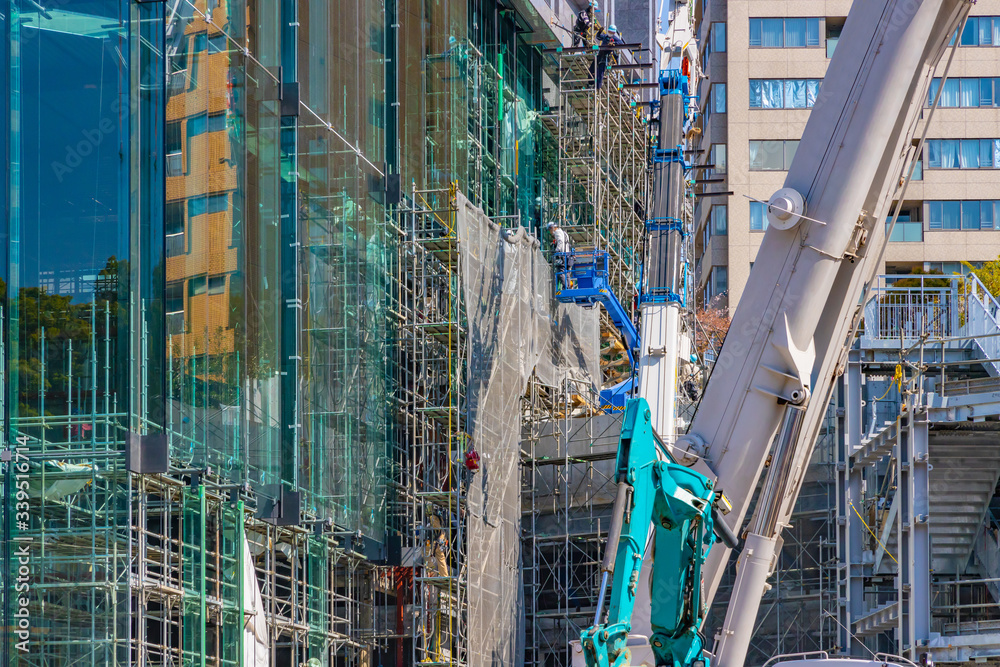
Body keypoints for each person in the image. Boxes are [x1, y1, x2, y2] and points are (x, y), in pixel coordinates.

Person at [548, 222, 572, 289]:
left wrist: (557, 250)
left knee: (560, 272)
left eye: (550, 230)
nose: (550, 232)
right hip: (568, 255)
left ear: (552, 228)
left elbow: (560, 241)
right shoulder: (564, 233)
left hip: (562, 255)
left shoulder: (557, 232)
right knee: (567, 272)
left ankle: (565, 287)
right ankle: (568, 287)